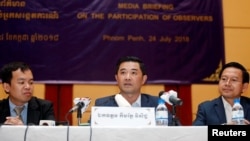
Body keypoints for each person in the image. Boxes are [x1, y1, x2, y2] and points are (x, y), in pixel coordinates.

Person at [94, 56, 173, 125]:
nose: (127, 77)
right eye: (123, 72)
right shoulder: (103, 105)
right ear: (116, 78)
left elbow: (176, 132)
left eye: (133, 73)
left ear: (143, 79)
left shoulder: (156, 105)